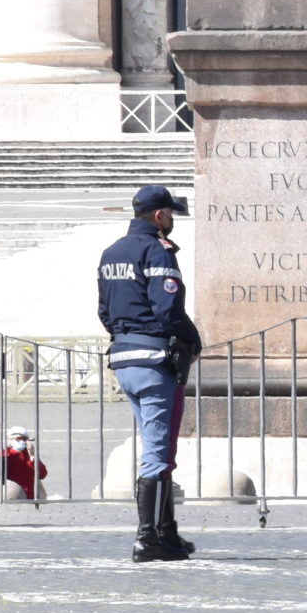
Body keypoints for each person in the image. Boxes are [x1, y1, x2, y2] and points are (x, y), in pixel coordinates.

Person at [98, 184, 201, 562]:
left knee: (158, 448)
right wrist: (193, 339)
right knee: (159, 454)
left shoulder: (111, 253)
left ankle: (167, 532)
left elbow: (104, 312)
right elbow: (168, 310)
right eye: (170, 214)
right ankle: (149, 539)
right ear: (159, 216)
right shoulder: (156, 251)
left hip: (124, 358)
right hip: (155, 361)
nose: (171, 220)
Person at [2, 427, 49, 499]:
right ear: (10, 440)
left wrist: (33, 456)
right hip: (11, 496)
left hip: (30, 498)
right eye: (18, 439)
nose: (21, 441)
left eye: (24, 439)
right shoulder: (3, 455)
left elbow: (43, 474)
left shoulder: (30, 455)